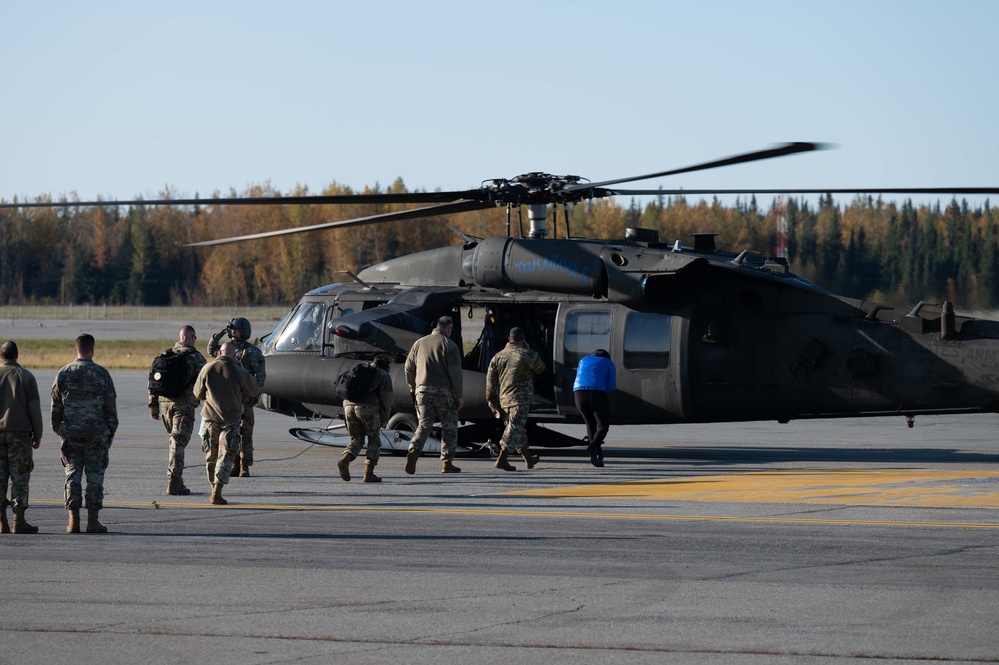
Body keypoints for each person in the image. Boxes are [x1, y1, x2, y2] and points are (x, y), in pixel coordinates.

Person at [51, 334, 118, 534]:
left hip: (71, 433)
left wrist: (60, 431)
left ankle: (73, 521)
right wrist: (110, 432)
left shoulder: (63, 373)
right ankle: (93, 520)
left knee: (72, 474)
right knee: (95, 476)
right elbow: (110, 409)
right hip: (96, 433)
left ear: (76, 349)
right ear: (92, 350)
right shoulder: (102, 374)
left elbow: (55, 409)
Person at [194, 342, 260, 505]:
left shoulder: (207, 368)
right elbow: (254, 389)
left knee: (211, 455)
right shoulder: (239, 371)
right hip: (231, 420)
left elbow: (198, 393)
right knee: (226, 456)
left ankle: (212, 487)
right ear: (234, 355)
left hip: (210, 419)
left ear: (220, 352)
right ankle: (217, 491)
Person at [149, 325, 207, 495]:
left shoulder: (165, 356)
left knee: (174, 441)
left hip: (165, 406)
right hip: (184, 406)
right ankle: (174, 481)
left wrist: (153, 407)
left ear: (180, 337)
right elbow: (206, 382)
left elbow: (152, 382)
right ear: (191, 338)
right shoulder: (196, 358)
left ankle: (175, 478)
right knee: (178, 443)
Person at [403, 315, 463, 474]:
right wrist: (459, 396)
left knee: (424, 424)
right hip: (442, 391)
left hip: (421, 391)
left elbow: (408, 368)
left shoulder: (419, 343)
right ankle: (447, 462)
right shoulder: (450, 345)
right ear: (449, 329)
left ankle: (414, 450)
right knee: (449, 425)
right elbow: (455, 374)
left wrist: (412, 386)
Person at [207, 317, 265, 477]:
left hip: (245, 401)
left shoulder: (252, 352)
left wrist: (256, 395)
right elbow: (211, 350)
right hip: (229, 401)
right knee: (230, 435)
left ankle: (245, 466)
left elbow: (260, 376)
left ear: (244, 332)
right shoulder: (227, 349)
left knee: (246, 435)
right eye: (231, 330)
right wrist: (220, 333)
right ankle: (234, 464)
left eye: (236, 330)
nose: (232, 333)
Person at [486, 327, 545, 472]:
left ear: (509, 339)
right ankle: (502, 458)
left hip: (504, 400)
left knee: (516, 428)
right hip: (520, 400)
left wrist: (491, 401)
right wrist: (530, 350)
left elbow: (490, 383)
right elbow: (541, 369)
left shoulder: (498, 356)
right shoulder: (527, 354)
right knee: (514, 428)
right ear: (523, 340)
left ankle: (528, 457)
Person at [0, 341, 43, 534]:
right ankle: (19, 520)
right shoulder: (26, 376)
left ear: (1, 356)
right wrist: (38, 434)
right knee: (20, 477)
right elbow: (34, 409)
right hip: (20, 434)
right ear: (17, 355)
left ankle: (2, 522)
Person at [337, 355, 393, 483]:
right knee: (374, 441)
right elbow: (387, 398)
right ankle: (369, 474)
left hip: (348, 406)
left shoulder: (359, 370)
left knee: (356, 439)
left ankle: (345, 459)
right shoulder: (383, 374)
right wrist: (385, 417)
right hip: (368, 408)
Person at [573, 349, 617, 467]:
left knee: (590, 424)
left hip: (578, 394)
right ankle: (592, 447)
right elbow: (611, 385)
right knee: (603, 425)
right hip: (597, 394)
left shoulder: (583, 360)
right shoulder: (608, 362)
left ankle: (598, 456)